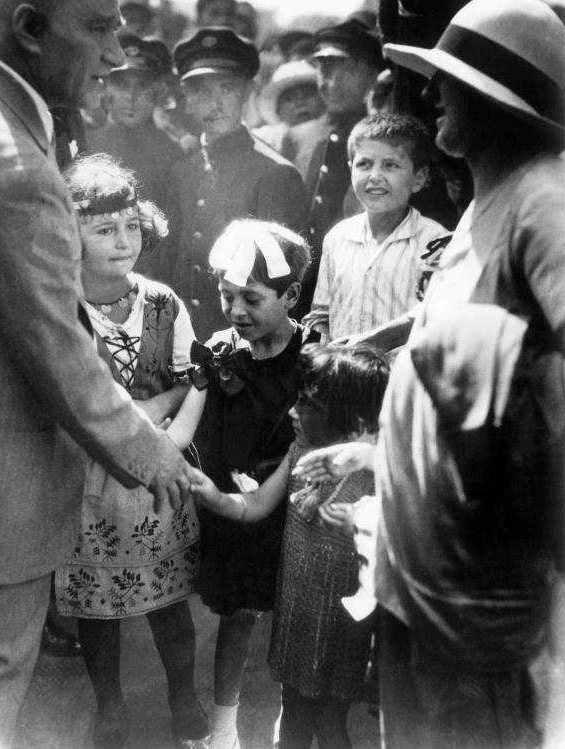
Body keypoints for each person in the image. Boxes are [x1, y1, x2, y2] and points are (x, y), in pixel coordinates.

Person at [296, 0, 565, 748]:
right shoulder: (488, 200)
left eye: (450, 81)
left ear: (497, 101)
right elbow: (459, 346)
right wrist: (381, 452)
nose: (432, 93)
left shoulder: (543, 204)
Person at [0, 0, 191, 745]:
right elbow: (56, 347)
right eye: (98, 29)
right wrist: (154, 454)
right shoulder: (12, 166)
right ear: (30, 28)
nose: (117, 54)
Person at [51, 154, 209, 749]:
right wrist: (127, 422)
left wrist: (159, 425)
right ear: (71, 234)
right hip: (87, 479)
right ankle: (110, 706)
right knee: (97, 608)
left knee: (169, 602)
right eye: (104, 230)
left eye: (130, 227)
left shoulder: (164, 302)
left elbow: (193, 378)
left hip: (159, 471)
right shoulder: (60, 306)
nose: (123, 241)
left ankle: (181, 695)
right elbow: (70, 396)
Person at [190, 342, 389, 749]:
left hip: (343, 628)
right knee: (294, 715)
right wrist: (213, 495)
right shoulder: (298, 453)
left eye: (308, 405)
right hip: (297, 619)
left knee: (331, 724)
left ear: (354, 424)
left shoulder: (376, 474)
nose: (294, 413)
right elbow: (256, 505)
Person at [185, 219, 319, 749]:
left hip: (294, 505)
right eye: (226, 296)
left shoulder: (312, 357)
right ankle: (224, 729)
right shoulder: (222, 350)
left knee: (296, 619)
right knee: (237, 615)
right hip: (234, 506)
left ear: (291, 296)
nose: (236, 310)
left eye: (252, 298)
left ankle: (291, 722)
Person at [168, 27, 307, 341]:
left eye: (227, 88)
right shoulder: (182, 171)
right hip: (183, 338)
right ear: (187, 98)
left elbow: (283, 284)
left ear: (247, 92)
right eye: (201, 91)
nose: (215, 103)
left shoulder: (275, 173)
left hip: (245, 345)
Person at [303, 113, 448, 345]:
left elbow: (436, 316)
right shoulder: (337, 238)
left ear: (419, 178)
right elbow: (322, 313)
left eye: (391, 165)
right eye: (364, 164)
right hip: (341, 366)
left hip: (401, 367)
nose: (375, 176)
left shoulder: (434, 241)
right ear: (351, 170)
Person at [292, 16, 384, 316]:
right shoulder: (298, 137)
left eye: (348, 69)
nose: (332, 81)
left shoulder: (385, 142)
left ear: (374, 74)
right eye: (325, 68)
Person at [89, 31, 183, 283]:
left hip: (149, 279)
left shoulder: (173, 154)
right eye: (121, 84)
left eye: (141, 86)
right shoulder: (84, 145)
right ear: (106, 88)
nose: (130, 97)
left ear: (157, 92)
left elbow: (174, 237)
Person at [253, 60, 324, 162]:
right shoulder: (265, 139)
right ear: (278, 110)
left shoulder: (335, 132)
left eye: (308, 95)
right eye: (290, 98)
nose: (300, 102)